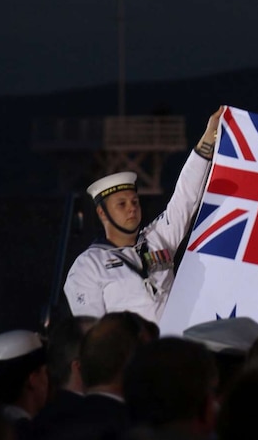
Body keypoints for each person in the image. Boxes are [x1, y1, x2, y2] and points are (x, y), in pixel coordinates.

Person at [64, 107, 224, 323]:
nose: (131, 208)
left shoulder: (158, 238)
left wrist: (208, 139)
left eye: (135, 201)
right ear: (102, 212)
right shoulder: (87, 266)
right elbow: (92, 333)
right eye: (121, 204)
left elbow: (185, 198)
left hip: (173, 347)